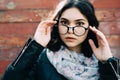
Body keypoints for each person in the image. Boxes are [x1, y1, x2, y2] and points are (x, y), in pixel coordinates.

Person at [2, 0, 120, 80]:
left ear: (90, 26)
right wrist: (36, 46)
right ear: (56, 24)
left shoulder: (103, 63)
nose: (70, 30)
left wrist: (106, 62)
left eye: (79, 23)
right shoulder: (42, 59)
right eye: (64, 22)